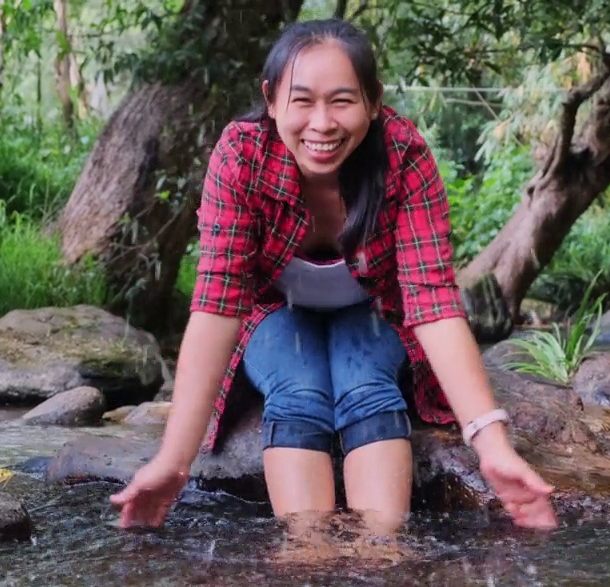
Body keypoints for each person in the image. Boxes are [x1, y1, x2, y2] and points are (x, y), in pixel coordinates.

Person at [110, 18, 557, 536]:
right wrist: (173, 460)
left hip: (375, 310)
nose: (321, 123)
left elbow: (431, 301)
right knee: (298, 388)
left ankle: (381, 555)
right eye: (302, 101)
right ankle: (308, 557)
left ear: (373, 100)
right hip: (273, 313)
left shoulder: (403, 155)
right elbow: (219, 305)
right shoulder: (241, 156)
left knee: (365, 383)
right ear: (271, 99)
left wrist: (493, 447)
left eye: (342, 100)